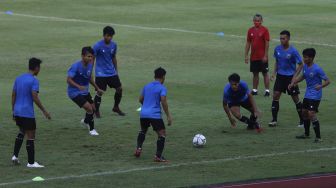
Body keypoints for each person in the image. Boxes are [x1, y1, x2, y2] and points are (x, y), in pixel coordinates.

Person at [11, 57, 51, 168]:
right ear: (37, 68)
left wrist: (13, 110)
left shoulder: (18, 78)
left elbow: (13, 95)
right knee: (31, 136)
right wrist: (44, 111)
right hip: (27, 112)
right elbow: (34, 97)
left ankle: (15, 156)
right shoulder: (34, 80)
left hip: (18, 111)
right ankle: (31, 162)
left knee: (22, 131)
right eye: (40, 68)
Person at [289, 48, 330, 143]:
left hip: (315, 95)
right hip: (308, 94)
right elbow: (303, 76)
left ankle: (318, 137)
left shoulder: (317, 69)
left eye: (306, 57)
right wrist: (294, 82)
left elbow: (328, 81)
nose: (304, 59)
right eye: (303, 57)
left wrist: (320, 86)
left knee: (311, 114)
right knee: (304, 112)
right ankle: (306, 134)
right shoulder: (305, 67)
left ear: (311, 58)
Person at [134, 67, 172, 162]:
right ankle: (158, 156)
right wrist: (168, 115)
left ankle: (138, 148)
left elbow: (140, 99)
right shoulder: (162, 88)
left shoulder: (146, 86)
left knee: (143, 130)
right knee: (162, 134)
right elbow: (163, 100)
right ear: (163, 77)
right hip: (154, 114)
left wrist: (146, 106)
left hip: (143, 114)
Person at [269, 30, 304, 127]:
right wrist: (274, 73)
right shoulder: (277, 49)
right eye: (280, 38)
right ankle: (274, 120)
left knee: (295, 98)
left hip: (290, 77)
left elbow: (301, 65)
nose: (281, 40)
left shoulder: (293, 51)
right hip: (280, 76)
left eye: (283, 38)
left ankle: (302, 120)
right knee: (275, 95)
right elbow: (277, 61)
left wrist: (294, 77)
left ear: (288, 38)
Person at [67, 46, 103, 136]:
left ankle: (86, 121)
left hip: (84, 92)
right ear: (82, 56)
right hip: (74, 92)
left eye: (91, 57)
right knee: (89, 109)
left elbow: (89, 78)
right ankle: (92, 129)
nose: (90, 58)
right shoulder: (76, 66)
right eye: (88, 56)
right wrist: (78, 86)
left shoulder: (90, 65)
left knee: (94, 109)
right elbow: (68, 80)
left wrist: (97, 87)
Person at [93, 26, 125, 118]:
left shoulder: (114, 45)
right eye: (108, 36)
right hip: (100, 73)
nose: (109, 38)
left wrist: (116, 70)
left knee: (119, 89)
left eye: (111, 36)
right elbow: (92, 58)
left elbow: (113, 57)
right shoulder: (97, 45)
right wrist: (90, 70)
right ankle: (96, 110)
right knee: (100, 92)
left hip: (111, 72)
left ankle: (116, 107)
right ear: (104, 35)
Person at [244, 13, 270, 96]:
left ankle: (267, 90)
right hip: (253, 57)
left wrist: (265, 55)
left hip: (262, 57)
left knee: (265, 73)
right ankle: (255, 90)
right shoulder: (250, 30)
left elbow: (267, 43)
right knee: (255, 73)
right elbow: (248, 43)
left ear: (261, 21)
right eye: (255, 21)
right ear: (253, 21)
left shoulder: (265, 30)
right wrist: (246, 55)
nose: (256, 22)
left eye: (258, 21)